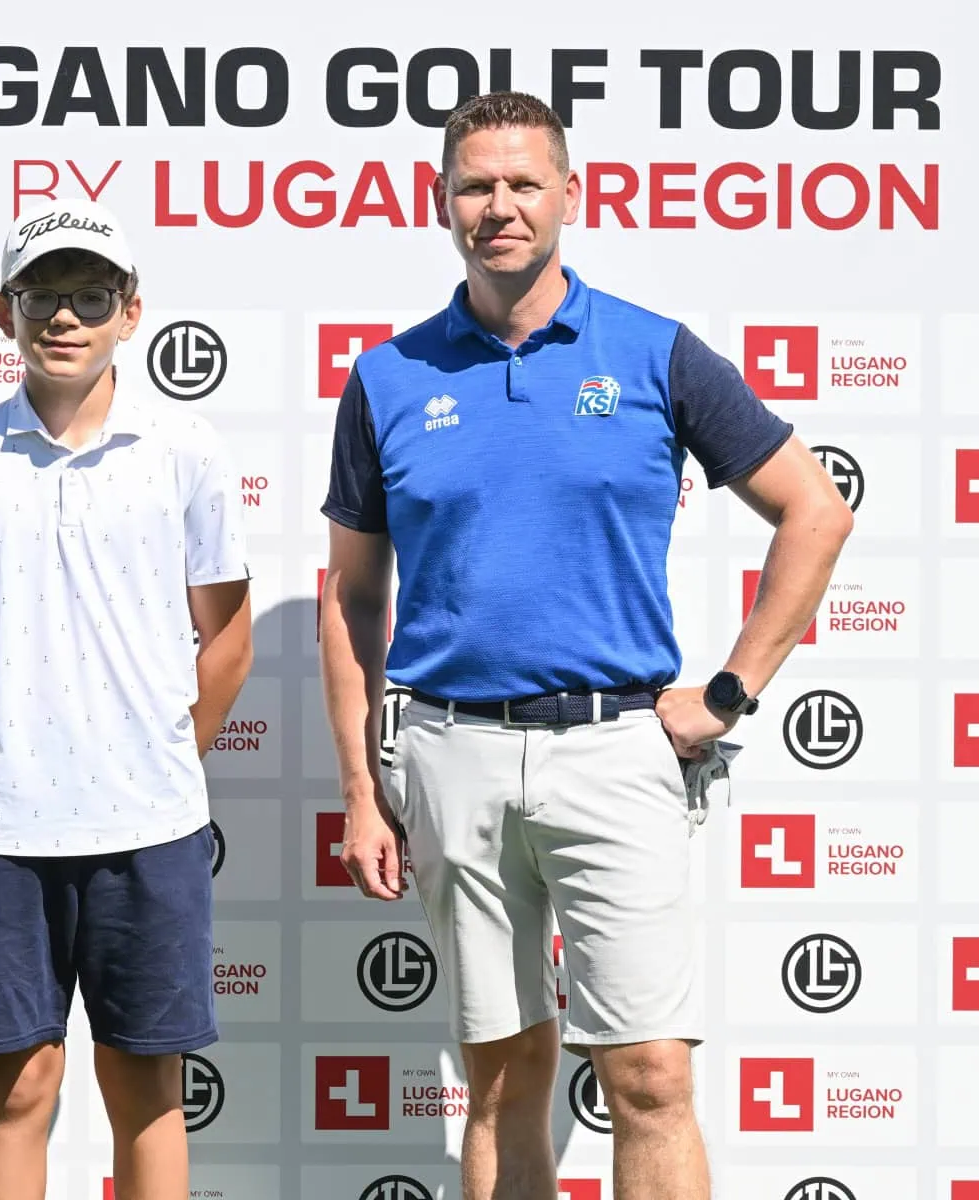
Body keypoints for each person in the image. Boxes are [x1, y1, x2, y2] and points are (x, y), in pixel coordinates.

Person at [317, 91, 852, 1200]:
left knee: (650, 1077)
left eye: (523, 183)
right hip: (451, 754)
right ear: (441, 200)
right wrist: (363, 792)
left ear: (571, 193)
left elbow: (815, 510)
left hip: (617, 750)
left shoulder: (655, 353)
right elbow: (353, 596)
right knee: (502, 1081)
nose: (499, 207)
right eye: (476, 185)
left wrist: (729, 691)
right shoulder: (388, 377)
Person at [0, 197, 254, 1200]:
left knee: (146, 1089)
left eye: (91, 297)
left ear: (130, 312)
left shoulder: (186, 449)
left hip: (151, 825)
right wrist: (16, 741)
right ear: (3, 311)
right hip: (5, 828)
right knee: (18, 1087)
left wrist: (161, 752)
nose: (65, 317)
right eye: (42, 295)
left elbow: (229, 636)